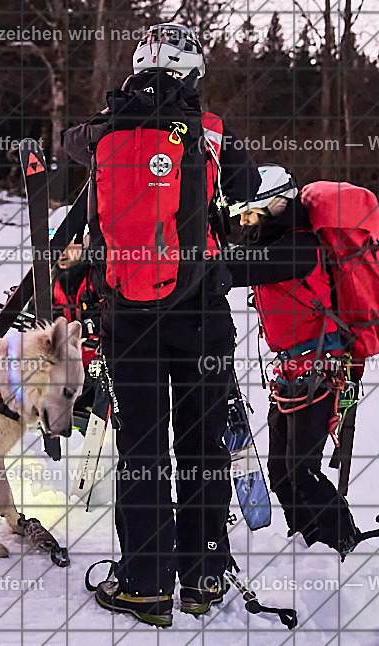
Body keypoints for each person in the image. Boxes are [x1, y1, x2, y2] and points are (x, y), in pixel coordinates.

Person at [65, 23, 260, 626]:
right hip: (201, 313)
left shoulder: (102, 131)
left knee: (142, 449)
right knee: (202, 446)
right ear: (192, 75)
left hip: (127, 315)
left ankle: (144, 586)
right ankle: (201, 580)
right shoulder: (211, 134)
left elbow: (70, 142)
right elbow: (249, 189)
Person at [225, 164, 369, 559]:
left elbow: (241, 267)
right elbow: (239, 259)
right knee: (281, 472)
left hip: (322, 369)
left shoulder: (300, 249)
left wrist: (198, 267)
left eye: (252, 213)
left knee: (302, 471)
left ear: (277, 205)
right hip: (291, 371)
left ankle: (339, 544)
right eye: (241, 215)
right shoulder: (272, 243)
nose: (246, 222)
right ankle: (305, 544)